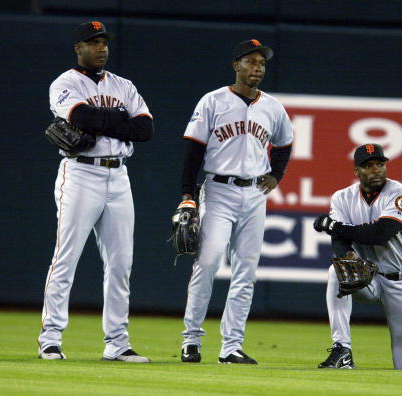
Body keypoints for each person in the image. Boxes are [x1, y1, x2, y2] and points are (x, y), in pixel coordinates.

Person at [37, 21, 153, 363]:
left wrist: (103, 120)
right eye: (93, 42)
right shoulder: (65, 83)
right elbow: (80, 116)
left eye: (104, 42)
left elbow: (145, 128)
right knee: (66, 257)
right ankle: (50, 338)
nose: (101, 48)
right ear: (79, 48)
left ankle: (117, 342)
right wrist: (119, 119)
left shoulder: (123, 85)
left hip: (119, 177)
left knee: (121, 264)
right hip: (80, 174)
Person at [177, 39, 294, 364]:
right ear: (236, 65)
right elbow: (193, 151)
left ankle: (231, 347)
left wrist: (276, 176)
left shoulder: (273, 107)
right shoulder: (213, 101)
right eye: (251, 61)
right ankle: (191, 340)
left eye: (262, 63)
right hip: (218, 190)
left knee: (246, 271)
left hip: (255, 194)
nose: (257, 67)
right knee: (208, 263)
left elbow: (284, 144)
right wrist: (188, 194)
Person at [313, 143, 402, 370]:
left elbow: (380, 234)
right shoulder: (342, 198)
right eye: (368, 165)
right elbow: (339, 239)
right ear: (356, 171)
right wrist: (348, 255)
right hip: (368, 275)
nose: (376, 170)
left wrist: (334, 226)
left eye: (380, 164)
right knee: (337, 270)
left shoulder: (401, 194)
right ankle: (342, 349)